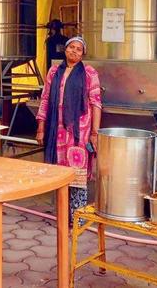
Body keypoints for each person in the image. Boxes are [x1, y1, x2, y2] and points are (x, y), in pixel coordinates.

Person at [35, 36, 102, 219]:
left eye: (78, 49)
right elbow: (46, 99)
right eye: (71, 47)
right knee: (59, 171)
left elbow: (96, 103)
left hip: (79, 131)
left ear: (83, 54)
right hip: (56, 130)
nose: (74, 51)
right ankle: (63, 216)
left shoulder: (89, 73)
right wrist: (41, 127)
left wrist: (94, 133)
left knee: (77, 172)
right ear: (65, 50)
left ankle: (78, 217)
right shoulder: (54, 71)